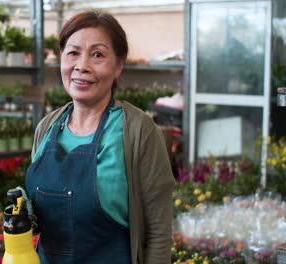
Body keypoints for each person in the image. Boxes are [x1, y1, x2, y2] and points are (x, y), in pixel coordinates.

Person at [25, 11, 175, 264]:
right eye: (73, 53)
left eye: (97, 55)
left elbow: (158, 233)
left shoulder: (137, 130)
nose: (81, 66)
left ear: (118, 66)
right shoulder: (47, 127)